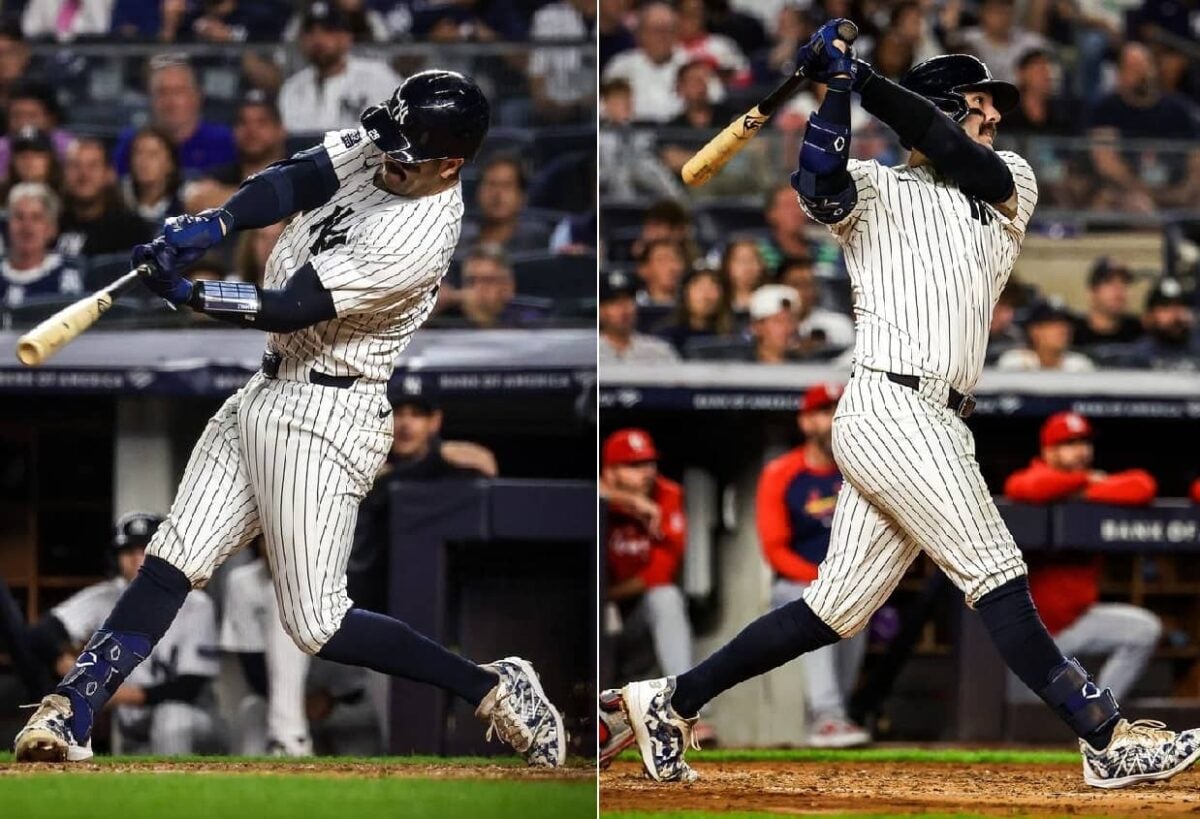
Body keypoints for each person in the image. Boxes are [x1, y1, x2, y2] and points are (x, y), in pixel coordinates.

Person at [607, 26, 1199, 788]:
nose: (993, 118)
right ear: (946, 105)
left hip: (935, 416)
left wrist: (863, 80)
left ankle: (671, 698)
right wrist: (840, 91)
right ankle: (1103, 732)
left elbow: (954, 151)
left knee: (836, 607)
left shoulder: (1008, 181)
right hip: (893, 405)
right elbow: (818, 179)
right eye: (979, 105)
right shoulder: (880, 187)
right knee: (995, 567)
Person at [14, 70, 565, 769]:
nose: (388, 157)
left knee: (316, 623)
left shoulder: (419, 234)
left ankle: (490, 685)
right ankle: (73, 709)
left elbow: (292, 304)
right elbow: (300, 177)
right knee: (173, 556)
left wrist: (188, 292)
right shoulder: (393, 142)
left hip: (327, 412)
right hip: (267, 387)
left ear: (450, 164)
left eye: (407, 154)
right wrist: (219, 220)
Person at [1004, 413, 1162, 701]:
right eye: (1070, 443)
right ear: (1048, 451)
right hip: (1033, 633)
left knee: (1144, 629)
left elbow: (1143, 485)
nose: (1081, 450)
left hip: (1077, 622)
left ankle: (1103, 715)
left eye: (1084, 442)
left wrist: (1085, 486)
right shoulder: (1033, 479)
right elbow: (1028, 487)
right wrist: (1087, 481)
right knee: (1021, 714)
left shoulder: (1088, 488)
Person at [43, 514, 217, 755]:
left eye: (146, 550)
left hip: (194, 722)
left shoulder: (196, 603)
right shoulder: (106, 596)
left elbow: (189, 688)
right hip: (134, 731)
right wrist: (72, 671)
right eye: (128, 551)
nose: (137, 560)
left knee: (171, 716)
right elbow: (43, 633)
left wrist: (105, 691)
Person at [757, 383, 869, 748]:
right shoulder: (782, 472)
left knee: (858, 606)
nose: (834, 420)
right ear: (806, 422)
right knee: (817, 602)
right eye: (824, 412)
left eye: (839, 410)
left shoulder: (865, 470)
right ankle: (827, 716)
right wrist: (825, 581)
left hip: (853, 585)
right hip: (797, 584)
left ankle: (834, 714)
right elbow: (774, 549)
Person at [601, 428, 694, 701]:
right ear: (609, 471)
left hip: (634, 623)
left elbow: (660, 574)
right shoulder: (595, 498)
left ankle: (685, 704)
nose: (646, 472)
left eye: (649, 462)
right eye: (633, 465)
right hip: (592, 622)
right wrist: (624, 500)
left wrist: (607, 596)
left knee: (666, 597)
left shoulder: (667, 495)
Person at [1088, 43, 1200, 213]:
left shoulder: (1180, 110)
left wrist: (1184, 191)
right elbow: (1106, 162)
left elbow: (1196, 159)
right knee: (1136, 206)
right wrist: (1142, 190)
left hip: (1178, 192)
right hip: (1129, 193)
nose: (1142, 73)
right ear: (1120, 75)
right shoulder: (1105, 109)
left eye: (1145, 65)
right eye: (1133, 68)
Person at [278, 1, 399, 134]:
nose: (318, 39)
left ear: (347, 38)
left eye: (328, 31)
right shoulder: (292, 88)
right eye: (310, 32)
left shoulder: (378, 77)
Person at [112, 58, 236, 176]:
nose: (170, 102)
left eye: (178, 92)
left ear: (197, 97)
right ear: (150, 99)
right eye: (162, 93)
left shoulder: (225, 141)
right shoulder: (132, 142)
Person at [184, 92, 287, 214]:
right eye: (243, 123)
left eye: (262, 123)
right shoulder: (221, 175)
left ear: (280, 131)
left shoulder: (297, 170)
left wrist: (224, 196)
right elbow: (195, 201)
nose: (251, 130)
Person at [56, 138, 154, 259]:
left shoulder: (133, 230)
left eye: (93, 166)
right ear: (63, 174)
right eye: (75, 165)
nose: (83, 174)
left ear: (109, 174)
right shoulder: (48, 224)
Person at [601, 2, 690, 123]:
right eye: (656, 30)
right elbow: (604, 108)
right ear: (641, 34)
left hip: (681, 134)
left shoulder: (691, 64)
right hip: (631, 135)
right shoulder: (621, 66)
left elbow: (714, 98)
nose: (662, 37)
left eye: (668, 30)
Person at [0, 182, 83, 307]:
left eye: (36, 218)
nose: (27, 226)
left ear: (51, 228)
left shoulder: (67, 275)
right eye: (19, 216)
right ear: (8, 225)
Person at [437, 244, 549, 329]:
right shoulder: (449, 316)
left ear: (508, 286)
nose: (478, 288)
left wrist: (483, 321)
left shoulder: (529, 317)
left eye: (487, 280)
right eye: (471, 281)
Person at [459, 155, 551, 254]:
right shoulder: (457, 240)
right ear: (478, 193)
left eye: (507, 186)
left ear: (522, 196)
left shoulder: (539, 241)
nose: (498, 194)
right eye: (492, 184)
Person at [528, 0, 596, 124]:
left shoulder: (609, 22)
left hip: (597, 110)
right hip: (558, 113)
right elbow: (537, 75)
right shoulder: (548, 17)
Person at [599, 269, 679, 364]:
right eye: (614, 302)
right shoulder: (591, 349)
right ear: (601, 310)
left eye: (628, 300)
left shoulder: (659, 351)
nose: (623, 309)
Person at [778, 256, 854, 355]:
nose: (804, 292)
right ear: (779, 287)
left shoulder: (839, 325)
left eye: (809, 284)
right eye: (797, 284)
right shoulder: (769, 329)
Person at [996, 299, 1095, 372]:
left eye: (1065, 324)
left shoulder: (1080, 365)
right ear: (1034, 331)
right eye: (1053, 324)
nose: (1063, 330)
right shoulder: (1014, 363)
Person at [1121, 278, 1200, 370]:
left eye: (1179, 306)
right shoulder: (1138, 355)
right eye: (1166, 308)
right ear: (1149, 316)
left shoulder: (1197, 347)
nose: (1174, 314)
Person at [654, 265, 734, 356]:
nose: (706, 296)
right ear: (685, 293)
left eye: (713, 287)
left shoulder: (731, 337)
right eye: (700, 288)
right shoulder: (666, 337)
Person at [0, 79, 72, 177]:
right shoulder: (2, 148)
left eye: (32, 116)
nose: (23, 123)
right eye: (16, 116)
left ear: (51, 119)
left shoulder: (70, 150)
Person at [1071, 258, 1144, 348]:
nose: (1119, 290)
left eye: (1124, 283)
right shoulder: (1072, 335)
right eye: (1109, 282)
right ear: (1092, 292)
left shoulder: (1139, 332)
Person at [122, 127, 185, 228]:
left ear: (170, 163)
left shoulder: (186, 203)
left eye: (153, 154)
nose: (143, 161)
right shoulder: (119, 200)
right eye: (138, 153)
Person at [746, 284, 801, 363]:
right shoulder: (737, 366)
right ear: (757, 326)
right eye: (778, 321)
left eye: (791, 320)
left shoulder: (809, 365)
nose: (788, 328)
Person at [635, 238, 687, 311]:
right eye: (662, 260)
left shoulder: (692, 309)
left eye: (675, 259)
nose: (672, 267)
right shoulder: (633, 309)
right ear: (643, 269)